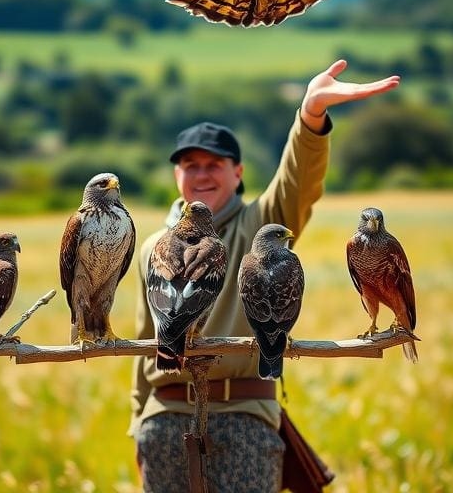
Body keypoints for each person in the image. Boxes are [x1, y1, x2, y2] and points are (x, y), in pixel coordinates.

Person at [130, 60, 401, 493]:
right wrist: (139, 423)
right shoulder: (152, 246)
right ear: (176, 175)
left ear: (237, 173)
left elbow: (299, 180)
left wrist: (311, 116)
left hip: (245, 416)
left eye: (214, 164)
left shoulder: (261, 223)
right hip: (165, 420)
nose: (201, 174)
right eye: (190, 165)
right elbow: (148, 342)